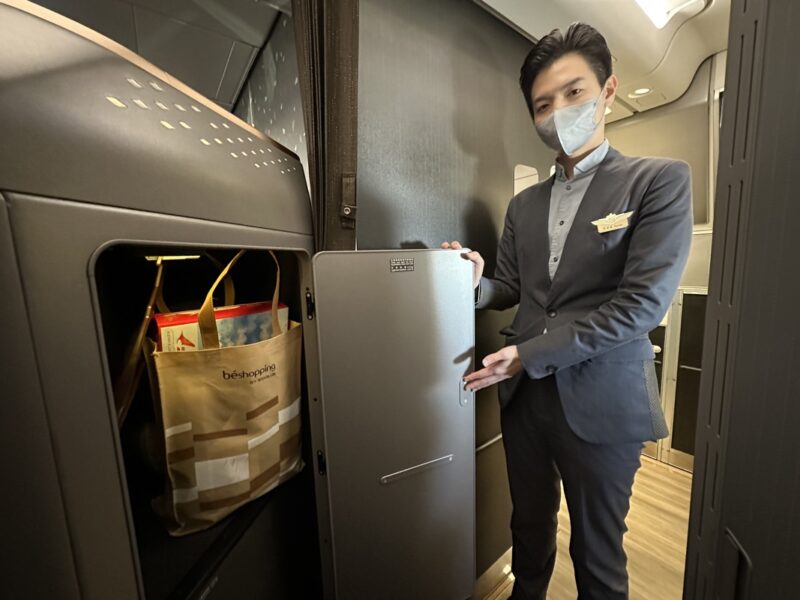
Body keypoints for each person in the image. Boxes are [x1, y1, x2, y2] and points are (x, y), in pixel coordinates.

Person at [443, 22, 692, 600]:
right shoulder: (523, 205)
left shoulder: (657, 181)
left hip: (602, 400)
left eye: (574, 92)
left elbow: (641, 306)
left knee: (597, 553)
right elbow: (510, 287)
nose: (559, 112)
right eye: (543, 104)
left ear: (608, 91)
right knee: (528, 533)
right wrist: (472, 282)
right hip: (527, 402)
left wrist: (526, 354)